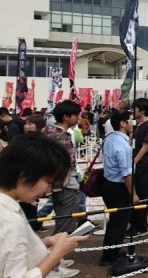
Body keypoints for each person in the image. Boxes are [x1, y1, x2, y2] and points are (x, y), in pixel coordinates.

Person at [0, 133, 88, 278]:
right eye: (49, 182)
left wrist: (46, 242)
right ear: (24, 175)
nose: (49, 190)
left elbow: (9, 251)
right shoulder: (8, 220)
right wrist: (57, 254)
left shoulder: (9, 208)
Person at [100, 110, 139, 266]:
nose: (133, 123)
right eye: (131, 120)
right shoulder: (123, 145)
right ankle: (109, 256)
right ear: (122, 123)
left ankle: (112, 250)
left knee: (115, 221)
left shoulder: (110, 139)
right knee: (119, 222)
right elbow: (127, 174)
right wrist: (133, 194)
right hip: (119, 188)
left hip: (108, 184)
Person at [41, 100, 81, 236]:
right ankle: (57, 255)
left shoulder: (47, 132)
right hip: (65, 184)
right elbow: (68, 162)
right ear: (66, 117)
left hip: (55, 184)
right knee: (66, 223)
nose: (77, 118)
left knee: (62, 219)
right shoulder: (61, 136)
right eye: (75, 115)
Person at [127, 98, 148, 238]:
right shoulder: (136, 126)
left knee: (143, 196)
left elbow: (145, 147)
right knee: (134, 195)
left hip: (145, 164)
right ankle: (133, 224)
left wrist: (134, 162)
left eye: (135, 108)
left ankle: (141, 226)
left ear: (142, 110)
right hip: (137, 164)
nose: (133, 111)